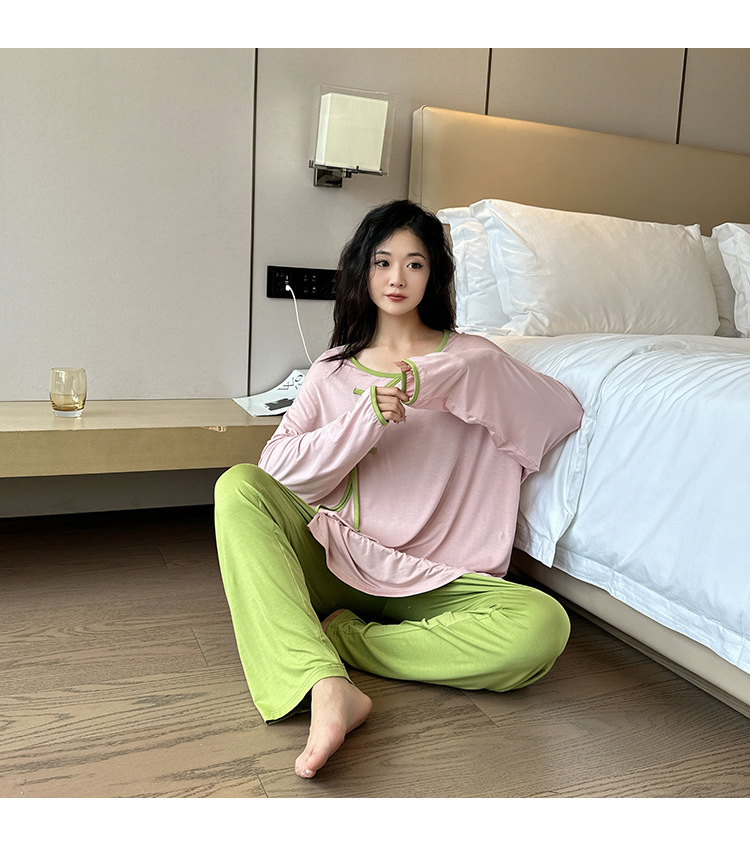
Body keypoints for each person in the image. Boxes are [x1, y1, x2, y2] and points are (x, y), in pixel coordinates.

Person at [214, 200, 583, 779]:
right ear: (363, 270)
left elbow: (560, 414)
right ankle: (324, 684)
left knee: (542, 627)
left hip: (440, 582)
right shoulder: (333, 370)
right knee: (238, 487)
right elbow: (277, 471)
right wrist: (364, 420)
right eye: (383, 262)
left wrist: (455, 377)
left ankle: (347, 639)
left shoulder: (476, 361)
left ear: (433, 275)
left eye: (415, 264)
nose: (397, 278)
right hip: (339, 560)